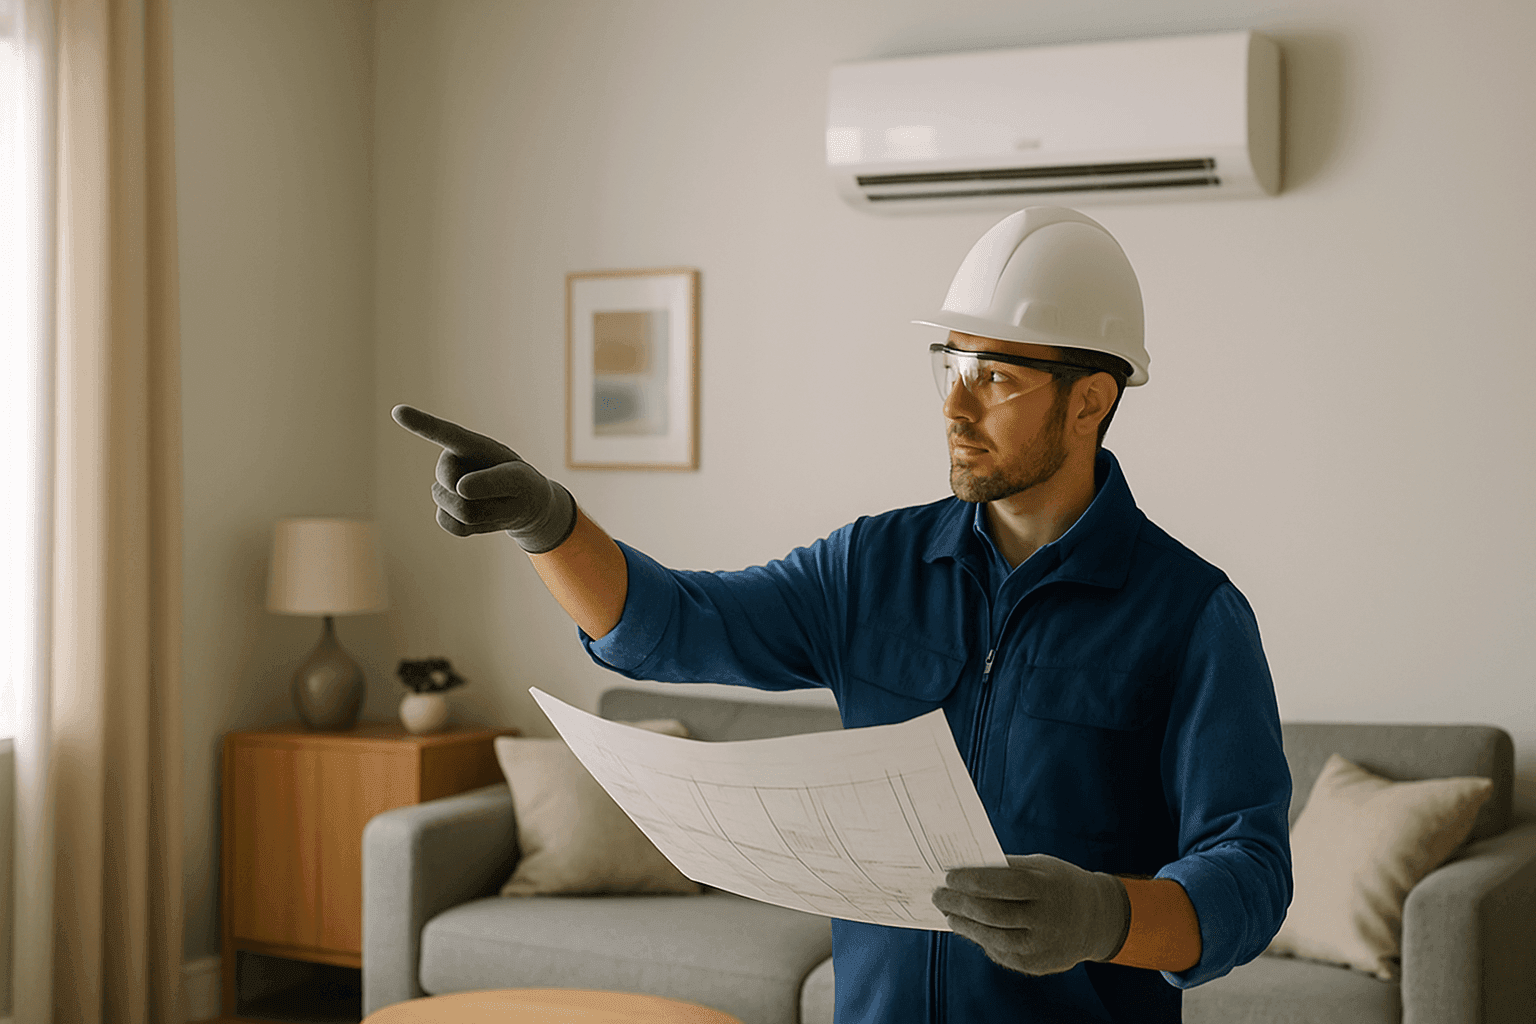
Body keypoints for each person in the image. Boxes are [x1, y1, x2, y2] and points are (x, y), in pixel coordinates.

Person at [393, 206, 1293, 1023]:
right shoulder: (874, 567)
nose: (955, 405)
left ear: (1091, 397)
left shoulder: (1192, 614)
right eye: (949, 364)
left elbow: (1249, 872)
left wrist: (1108, 915)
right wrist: (547, 525)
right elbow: (677, 625)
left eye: (994, 376)